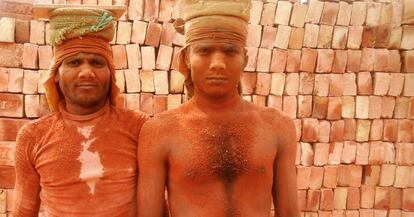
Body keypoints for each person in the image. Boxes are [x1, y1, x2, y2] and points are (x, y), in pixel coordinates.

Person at [137, 0, 299, 216]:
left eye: (230, 52)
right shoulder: (160, 131)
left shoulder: (277, 126)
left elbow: (289, 213)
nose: (218, 64)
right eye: (204, 51)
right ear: (186, 58)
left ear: (245, 60)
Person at [13, 7, 148, 217]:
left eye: (97, 62)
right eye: (74, 62)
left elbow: (157, 206)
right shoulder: (33, 136)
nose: (87, 73)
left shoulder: (138, 127)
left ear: (110, 73)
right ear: (55, 74)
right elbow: (23, 211)